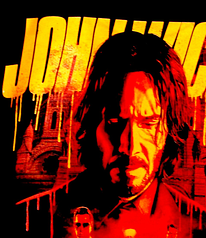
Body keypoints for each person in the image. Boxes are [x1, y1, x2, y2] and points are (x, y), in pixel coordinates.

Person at [73, 32, 191, 225]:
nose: (129, 147)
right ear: (90, 123)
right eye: (114, 122)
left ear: (171, 131)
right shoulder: (37, 215)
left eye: (148, 123)